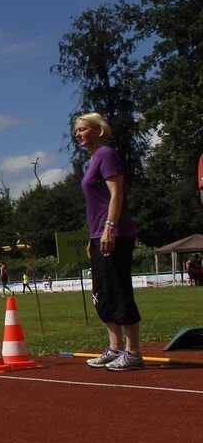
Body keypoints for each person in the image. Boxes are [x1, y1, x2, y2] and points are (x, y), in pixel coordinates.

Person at [75, 112, 143, 371]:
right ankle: (115, 348)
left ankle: (133, 352)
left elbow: (116, 194)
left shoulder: (106, 155)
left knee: (119, 289)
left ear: (98, 129)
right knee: (102, 293)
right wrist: (93, 236)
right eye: (76, 131)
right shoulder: (93, 160)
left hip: (116, 232)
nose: (78, 134)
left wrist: (109, 228)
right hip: (97, 235)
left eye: (82, 129)